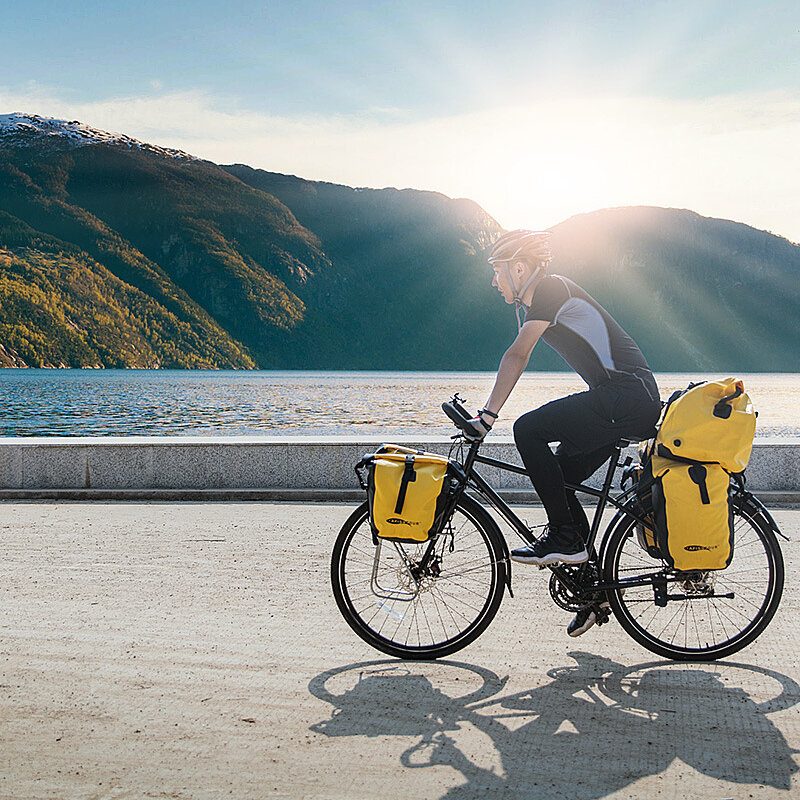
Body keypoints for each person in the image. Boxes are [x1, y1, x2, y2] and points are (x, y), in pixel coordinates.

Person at [466, 230, 662, 635]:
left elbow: (518, 354)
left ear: (520, 268)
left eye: (497, 272)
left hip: (626, 397)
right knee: (562, 477)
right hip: (624, 401)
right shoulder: (544, 298)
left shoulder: (550, 289)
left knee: (528, 429)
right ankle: (593, 588)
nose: (493, 281)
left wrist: (487, 417)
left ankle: (565, 538)